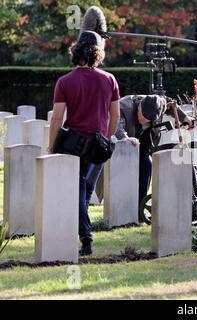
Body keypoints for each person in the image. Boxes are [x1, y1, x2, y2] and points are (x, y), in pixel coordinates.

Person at [49, 31, 120, 256]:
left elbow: (58, 118)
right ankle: (84, 234)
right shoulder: (110, 79)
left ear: (76, 51)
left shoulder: (64, 81)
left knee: (78, 192)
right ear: (98, 53)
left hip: (73, 145)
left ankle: (86, 237)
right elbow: (115, 116)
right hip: (98, 145)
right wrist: (106, 138)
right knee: (85, 193)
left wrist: (52, 146)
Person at [112, 95, 193, 211]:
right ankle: (124, 206)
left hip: (144, 139)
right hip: (125, 142)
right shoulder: (124, 106)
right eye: (142, 116)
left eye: (147, 119)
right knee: (127, 172)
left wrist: (184, 117)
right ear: (139, 106)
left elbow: (170, 104)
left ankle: (140, 205)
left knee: (146, 165)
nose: (143, 120)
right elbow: (116, 124)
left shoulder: (159, 104)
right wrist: (125, 138)